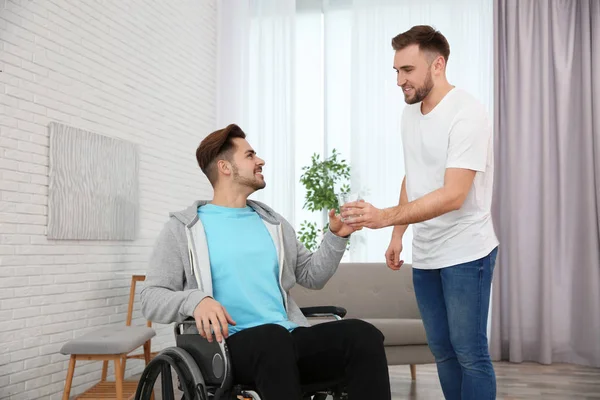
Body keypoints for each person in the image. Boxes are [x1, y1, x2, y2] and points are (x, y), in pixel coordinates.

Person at [141, 124, 391, 400]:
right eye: (250, 156)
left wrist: (336, 236)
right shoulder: (184, 229)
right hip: (225, 348)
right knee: (272, 339)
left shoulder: (272, 223)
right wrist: (195, 301)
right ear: (225, 167)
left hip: (287, 337)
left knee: (363, 336)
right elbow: (151, 298)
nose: (260, 161)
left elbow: (311, 276)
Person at [341, 25, 499, 400]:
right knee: (442, 352)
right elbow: (414, 176)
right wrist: (398, 235)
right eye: (396, 71)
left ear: (438, 65)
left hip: (467, 251)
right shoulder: (409, 114)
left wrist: (386, 218)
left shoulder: (467, 112)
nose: (399, 80)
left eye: (407, 70)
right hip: (427, 254)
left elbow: (453, 195)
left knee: (469, 354)